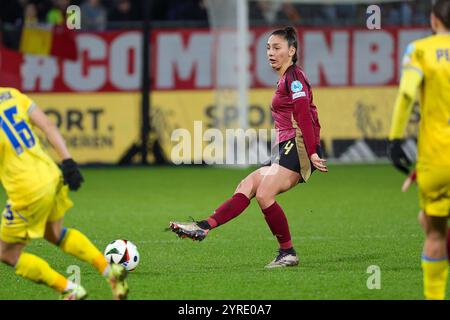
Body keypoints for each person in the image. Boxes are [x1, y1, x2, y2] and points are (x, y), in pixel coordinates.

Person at [169, 27, 327, 268]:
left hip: (300, 145)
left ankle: (288, 252)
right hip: (286, 146)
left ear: (292, 50)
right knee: (248, 185)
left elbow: (304, 114)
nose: (270, 53)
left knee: (265, 194)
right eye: (268, 48)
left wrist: (313, 150)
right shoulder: (285, 78)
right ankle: (204, 226)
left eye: (277, 48)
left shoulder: (294, 78)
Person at [0, 87, 128, 300]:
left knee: (6, 253)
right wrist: (68, 162)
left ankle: (69, 289)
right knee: (54, 233)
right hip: (51, 175)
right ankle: (110, 271)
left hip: (27, 189)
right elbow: (48, 125)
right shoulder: (11, 94)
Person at [387, 0, 450, 300]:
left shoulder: (420, 50)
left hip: (438, 158)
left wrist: (394, 139)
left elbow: (406, 93)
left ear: (434, 19)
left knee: (434, 231)